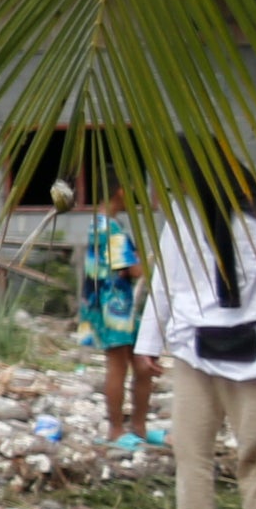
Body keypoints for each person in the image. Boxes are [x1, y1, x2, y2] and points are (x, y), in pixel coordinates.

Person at [139, 178, 256, 509]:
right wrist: (148, 341)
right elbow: (163, 278)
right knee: (191, 438)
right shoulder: (181, 216)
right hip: (191, 341)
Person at [78, 182, 152, 448]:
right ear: (121, 191)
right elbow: (132, 270)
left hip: (106, 304)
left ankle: (138, 427)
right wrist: (152, 263)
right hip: (114, 306)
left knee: (141, 364)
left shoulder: (98, 223)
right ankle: (118, 429)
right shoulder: (111, 228)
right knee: (119, 366)